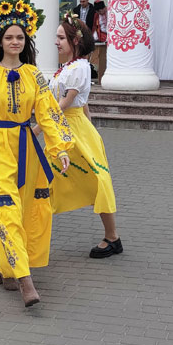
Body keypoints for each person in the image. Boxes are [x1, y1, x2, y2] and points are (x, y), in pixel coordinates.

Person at [0, 0, 73, 307]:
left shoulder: (34, 75)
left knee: (26, 211)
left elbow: (48, 112)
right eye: (9, 37)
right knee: (4, 210)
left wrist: (60, 147)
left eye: (20, 37)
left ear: (26, 40)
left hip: (27, 148)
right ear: (0, 40)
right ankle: (25, 280)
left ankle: (6, 266)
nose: (14, 42)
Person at [45, 14, 123, 258]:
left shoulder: (79, 67)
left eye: (60, 38)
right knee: (48, 178)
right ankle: (31, 231)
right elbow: (82, 101)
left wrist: (36, 128)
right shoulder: (69, 67)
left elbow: (65, 104)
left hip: (72, 130)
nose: (56, 42)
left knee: (97, 179)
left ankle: (113, 238)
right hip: (67, 128)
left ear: (75, 40)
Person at [89, 0, 108, 79]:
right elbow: (95, 26)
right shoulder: (97, 15)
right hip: (101, 36)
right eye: (97, 12)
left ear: (103, 8)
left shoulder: (110, 12)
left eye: (100, 11)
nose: (99, 13)